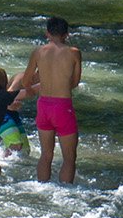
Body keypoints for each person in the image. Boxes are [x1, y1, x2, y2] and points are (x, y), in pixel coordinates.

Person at [21, 16, 81, 183]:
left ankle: (42, 188)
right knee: (69, 158)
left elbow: (25, 81)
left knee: (46, 155)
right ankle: (66, 193)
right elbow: (74, 82)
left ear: (47, 33)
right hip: (63, 107)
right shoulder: (74, 53)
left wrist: (30, 90)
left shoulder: (38, 52)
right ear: (66, 34)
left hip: (43, 106)